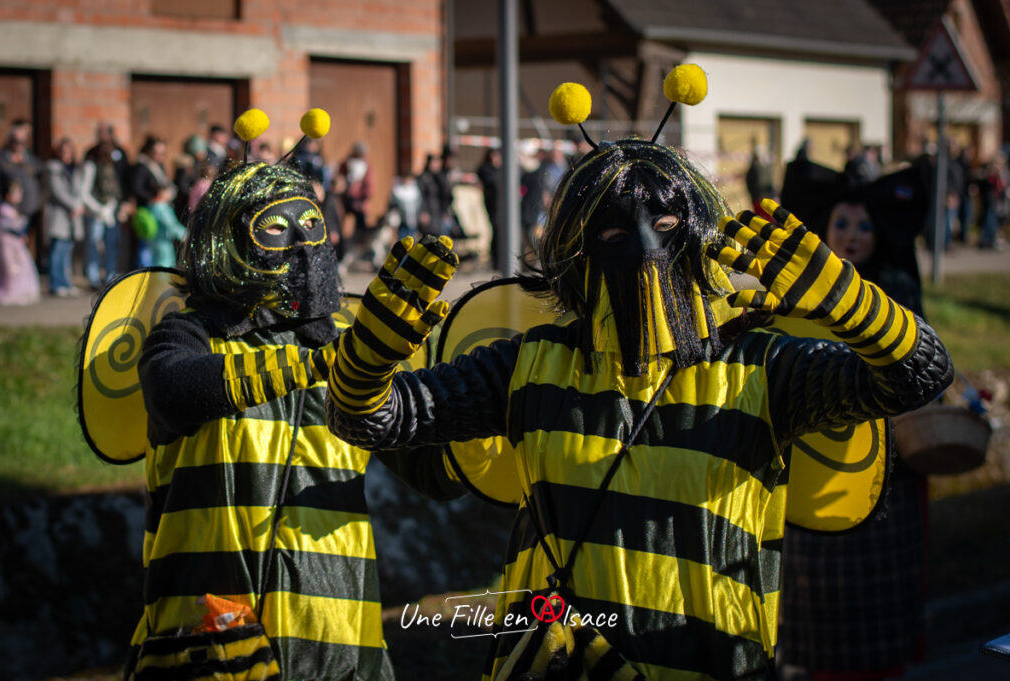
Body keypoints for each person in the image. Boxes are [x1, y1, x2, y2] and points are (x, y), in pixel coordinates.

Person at [324, 137, 953, 680]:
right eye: (615, 234)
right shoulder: (527, 366)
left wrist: (852, 304)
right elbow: (369, 418)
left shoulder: (762, 370)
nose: (648, 249)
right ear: (578, 249)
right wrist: (365, 363)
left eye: (669, 223)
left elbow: (918, 373)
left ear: (699, 235)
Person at [126, 158, 462, 680]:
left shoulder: (353, 351)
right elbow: (172, 391)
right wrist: (319, 363)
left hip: (341, 649)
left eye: (311, 224)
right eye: (276, 228)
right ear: (228, 240)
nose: (303, 245)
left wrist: (492, 410)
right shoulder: (188, 336)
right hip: (214, 650)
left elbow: (432, 471)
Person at [779, 185, 930, 681]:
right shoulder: (803, 299)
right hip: (820, 468)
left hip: (888, 477)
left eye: (864, 226)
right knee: (821, 610)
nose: (851, 236)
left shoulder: (895, 291)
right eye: (841, 224)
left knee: (879, 607)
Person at [0, 181, 40, 305]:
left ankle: (19, 291)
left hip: (16, 244)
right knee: (10, 268)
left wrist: (20, 235)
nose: (18, 196)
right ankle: (7, 290)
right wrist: (18, 234)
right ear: (8, 195)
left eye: (19, 193)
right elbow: (5, 227)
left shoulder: (16, 209)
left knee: (22, 266)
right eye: (16, 193)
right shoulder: (4, 210)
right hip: (6, 243)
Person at [0, 119, 42, 242]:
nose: (19, 146)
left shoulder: (30, 159)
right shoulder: (1, 159)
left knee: (23, 247)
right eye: (16, 142)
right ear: (9, 141)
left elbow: (43, 178)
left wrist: (38, 200)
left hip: (28, 211)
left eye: (23, 142)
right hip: (9, 213)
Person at [44, 138, 86, 297]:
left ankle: (66, 282)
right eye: (62, 152)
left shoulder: (74, 169)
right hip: (59, 216)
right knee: (57, 251)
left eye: (68, 152)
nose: (65, 155)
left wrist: (78, 206)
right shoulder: (53, 169)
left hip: (72, 217)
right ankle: (55, 283)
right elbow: (58, 192)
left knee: (67, 252)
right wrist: (74, 206)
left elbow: (79, 190)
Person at [82, 138, 124, 288]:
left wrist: (113, 207)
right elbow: (85, 192)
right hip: (97, 213)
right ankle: (93, 277)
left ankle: (110, 276)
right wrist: (99, 209)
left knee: (112, 245)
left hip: (111, 211)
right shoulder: (91, 166)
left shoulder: (112, 167)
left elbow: (115, 191)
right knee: (94, 245)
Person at [131, 135, 174, 268]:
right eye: (157, 152)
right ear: (149, 151)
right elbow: (137, 189)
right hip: (147, 213)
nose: (160, 156)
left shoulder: (159, 166)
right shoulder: (141, 167)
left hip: (159, 211)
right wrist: (155, 196)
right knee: (146, 248)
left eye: (163, 153)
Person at [476, 146, 502, 265]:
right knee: (496, 230)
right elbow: (493, 183)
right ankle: (496, 259)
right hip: (492, 204)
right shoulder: (486, 169)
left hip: (500, 205)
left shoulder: (499, 169)